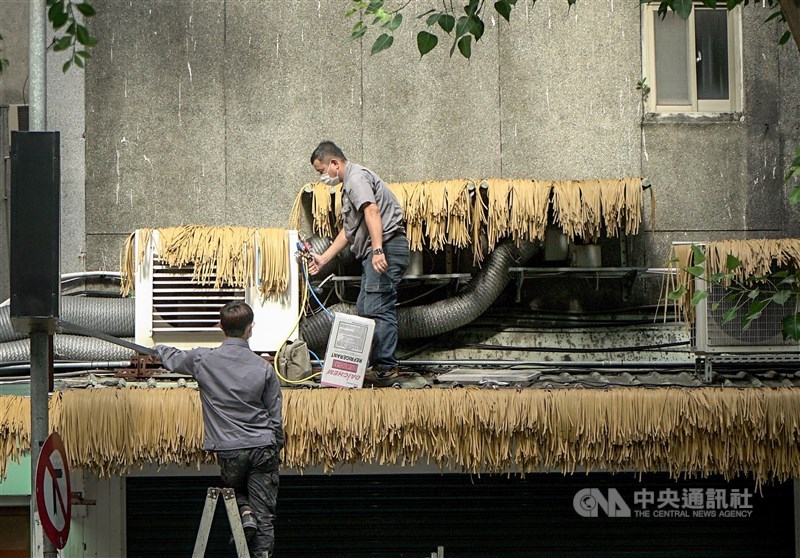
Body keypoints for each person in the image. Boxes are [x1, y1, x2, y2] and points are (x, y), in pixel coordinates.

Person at [154, 301, 283, 558]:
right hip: (263, 446)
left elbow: (171, 358)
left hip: (230, 448)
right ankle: (259, 546)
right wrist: (275, 446)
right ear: (250, 329)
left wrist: (157, 348)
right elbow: (276, 418)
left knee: (233, 488)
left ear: (220, 327)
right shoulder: (264, 368)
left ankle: (245, 513)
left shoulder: (203, 359)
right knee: (264, 514)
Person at [308, 141, 409, 385]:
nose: (323, 177)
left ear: (334, 163)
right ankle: (378, 365)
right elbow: (348, 231)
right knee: (367, 307)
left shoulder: (355, 178)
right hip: (377, 251)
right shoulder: (349, 184)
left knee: (377, 307)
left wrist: (377, 250)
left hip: (386, 247)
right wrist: (324, 258)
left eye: (321, 171)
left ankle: (386, 368)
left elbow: (372, 211)